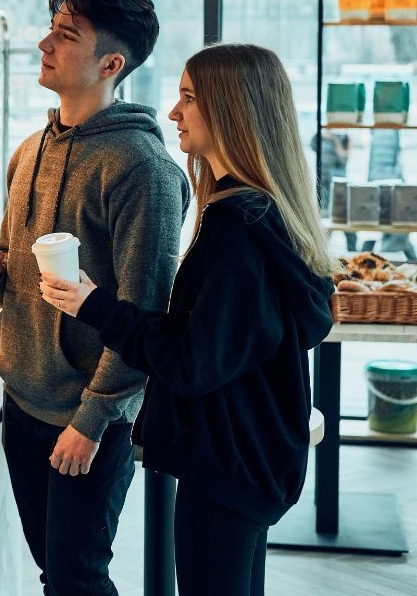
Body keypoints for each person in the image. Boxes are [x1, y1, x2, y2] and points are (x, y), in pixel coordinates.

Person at [40, 43, 333, 596]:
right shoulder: (260, 214)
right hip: (252, 458)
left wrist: (94, 305)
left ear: (231, 112)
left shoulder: (237, 230)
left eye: (189, 98)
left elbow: (194, 362)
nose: (173, 113)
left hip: (228, 467)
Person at [0, 0, 189, 595]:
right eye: (51, 28)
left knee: (79, 577)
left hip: (91, 418)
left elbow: (144, 314)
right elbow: (21, 292)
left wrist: (92, 419)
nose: (43, 43)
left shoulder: (143, 169)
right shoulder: (29, 152)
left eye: (66, 35)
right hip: (23, 400)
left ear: (112, 63)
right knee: (54, 575)